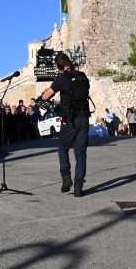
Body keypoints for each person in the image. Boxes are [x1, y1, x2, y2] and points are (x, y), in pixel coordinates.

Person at [38, 52, 90, 197]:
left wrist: (42, 95)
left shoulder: (62, 79)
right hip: (84, 117)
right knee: (80, 153)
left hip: (70, 119)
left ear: (61, 66)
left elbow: (46, 95)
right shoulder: (83, 76)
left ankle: (66, 177)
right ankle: (78, 187)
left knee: (63, 147)